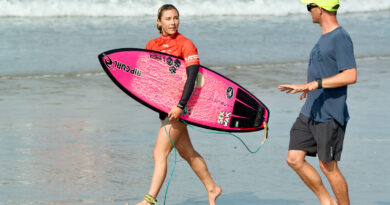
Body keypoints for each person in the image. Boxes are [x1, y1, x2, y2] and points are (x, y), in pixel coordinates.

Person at [130, 4, 222, 205]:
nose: (173, 22)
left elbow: (192, 78)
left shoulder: (186, 44)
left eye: (176, 18)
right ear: (159, 22)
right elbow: (150, 78)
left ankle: (149, 200)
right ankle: (212, 188)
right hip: (165, 107)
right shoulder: (151, 45)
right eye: (168, 18)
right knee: (186, 152)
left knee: (158, 152)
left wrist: (181, 106)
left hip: (181, 107)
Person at [278, 0, 357, 205]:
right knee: (294, 159)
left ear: (320, 9)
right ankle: (326, 201)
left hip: (330, 114)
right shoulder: (324, 37)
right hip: (311, 109)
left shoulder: (340, 37)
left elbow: (350, 75)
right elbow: (323, 70)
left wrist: (315, 84)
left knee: (328, 166)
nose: (309, 12)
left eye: (309, 7)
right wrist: (307, 87)